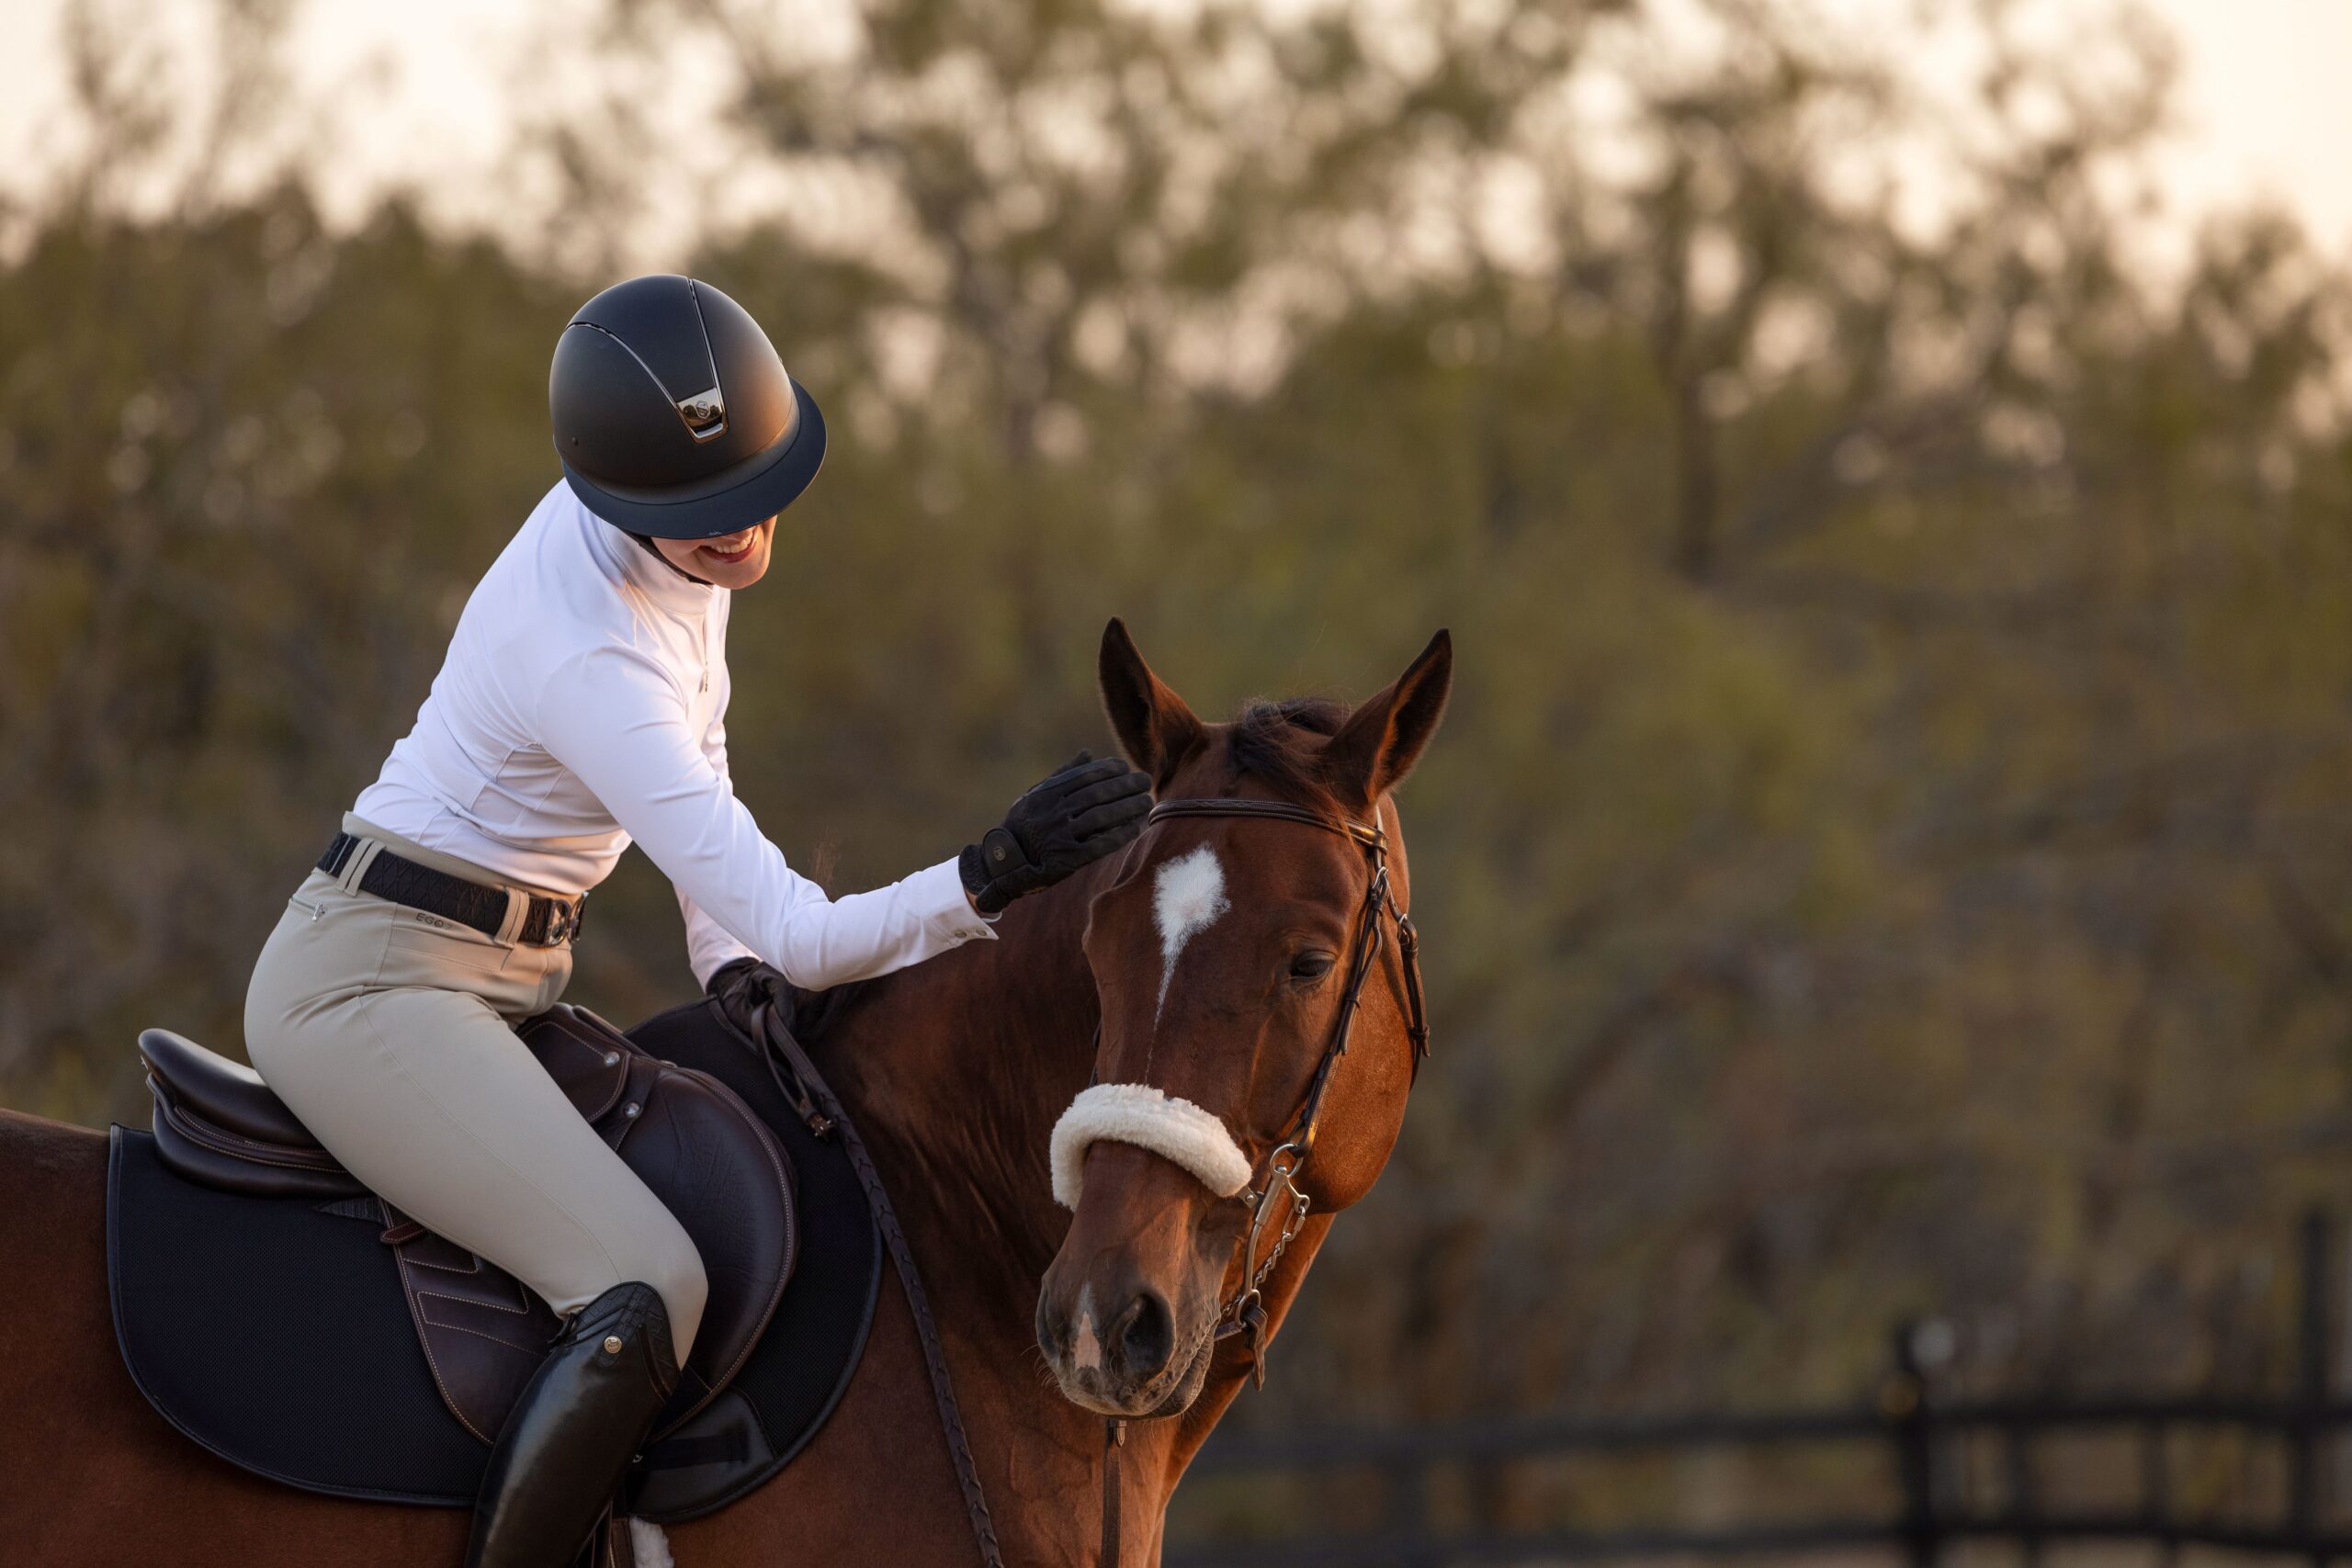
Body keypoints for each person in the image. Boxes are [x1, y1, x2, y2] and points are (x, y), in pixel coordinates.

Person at [243, 275, 1152, 1568]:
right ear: (628, 503)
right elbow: (804, 932)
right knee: (644, 1283)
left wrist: (722, 964)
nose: (741, 538)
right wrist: (987, 873)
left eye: (755, 496)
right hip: (373, 985)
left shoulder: (677, 528)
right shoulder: (587, 650)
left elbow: (703, 754)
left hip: (508, 975)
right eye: (707, 523)